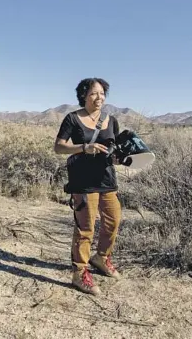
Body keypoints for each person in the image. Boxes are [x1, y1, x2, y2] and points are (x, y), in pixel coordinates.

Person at [54, 77, 122, 295]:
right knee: (86, 229)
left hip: (107, 180)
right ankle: (79, 272)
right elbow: (59, 147)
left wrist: (120, 157)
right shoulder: (72, 119)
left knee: (113, 220)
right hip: (83, 182)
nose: (99, 97)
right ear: (83, 95)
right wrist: (84, 147)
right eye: (94, 93)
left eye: (102, 93)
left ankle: (101, 258)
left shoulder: (111, 120)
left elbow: (116, 148)